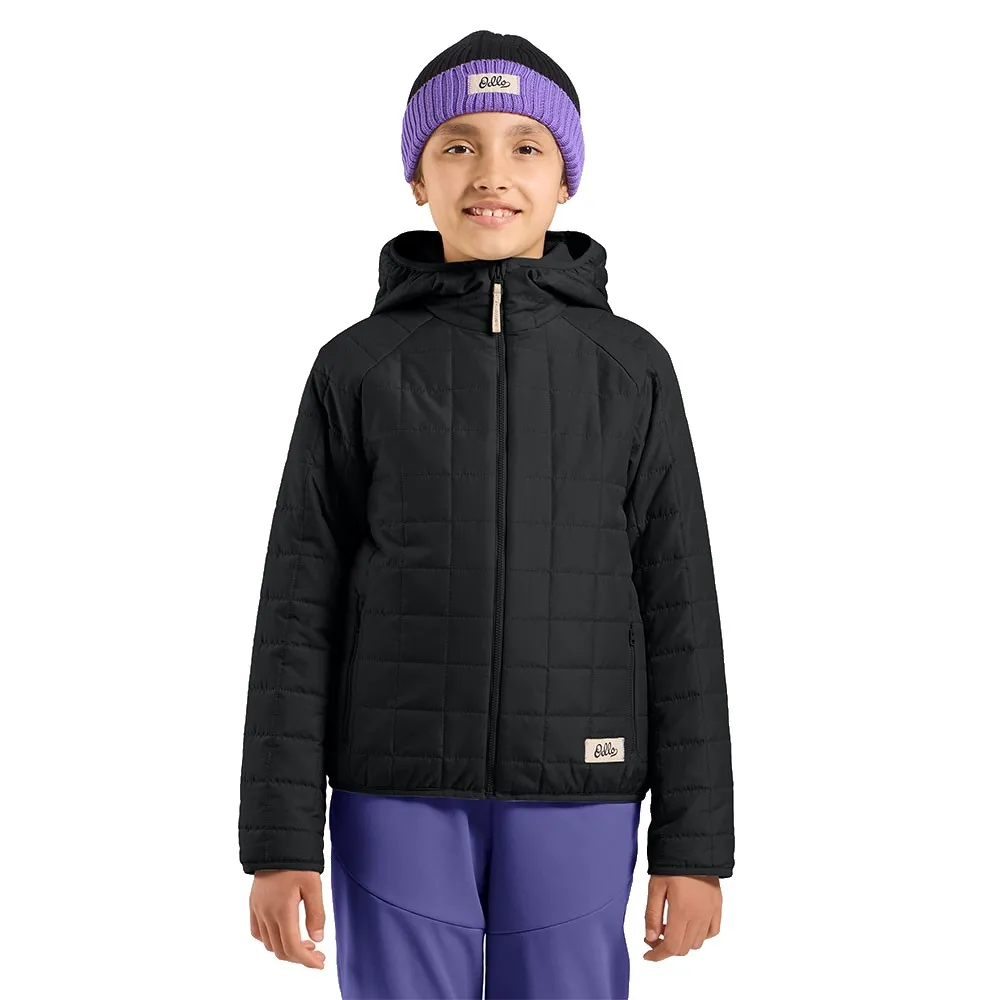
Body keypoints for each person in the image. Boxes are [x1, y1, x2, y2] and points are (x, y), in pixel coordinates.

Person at [238, 28, 734, 999]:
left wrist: (695, 845)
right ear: (416, 178)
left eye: (526, 146)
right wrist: (279, 839)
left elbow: (681, 610)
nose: (491, 173)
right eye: (457, 144)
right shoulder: (357, 369)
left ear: (566, 179)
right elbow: (297, 612)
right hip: (394, 792)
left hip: (582, 788)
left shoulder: (631, 370)